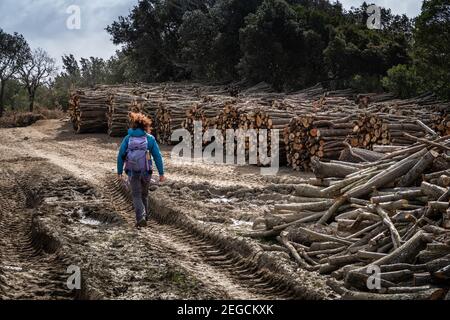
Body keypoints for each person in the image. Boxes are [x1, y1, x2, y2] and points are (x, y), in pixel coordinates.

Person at [117, 112, 165, 228]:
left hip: (133, 171)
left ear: (133, 125)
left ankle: (141, 217)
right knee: (144, 194)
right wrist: (161, 173)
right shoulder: (150, 139)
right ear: (145, 126)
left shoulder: (128, 138)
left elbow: (121, 155)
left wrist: (119, 172)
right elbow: (157, 156)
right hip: (146, 171)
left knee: (136, 195)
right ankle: (145, 216)